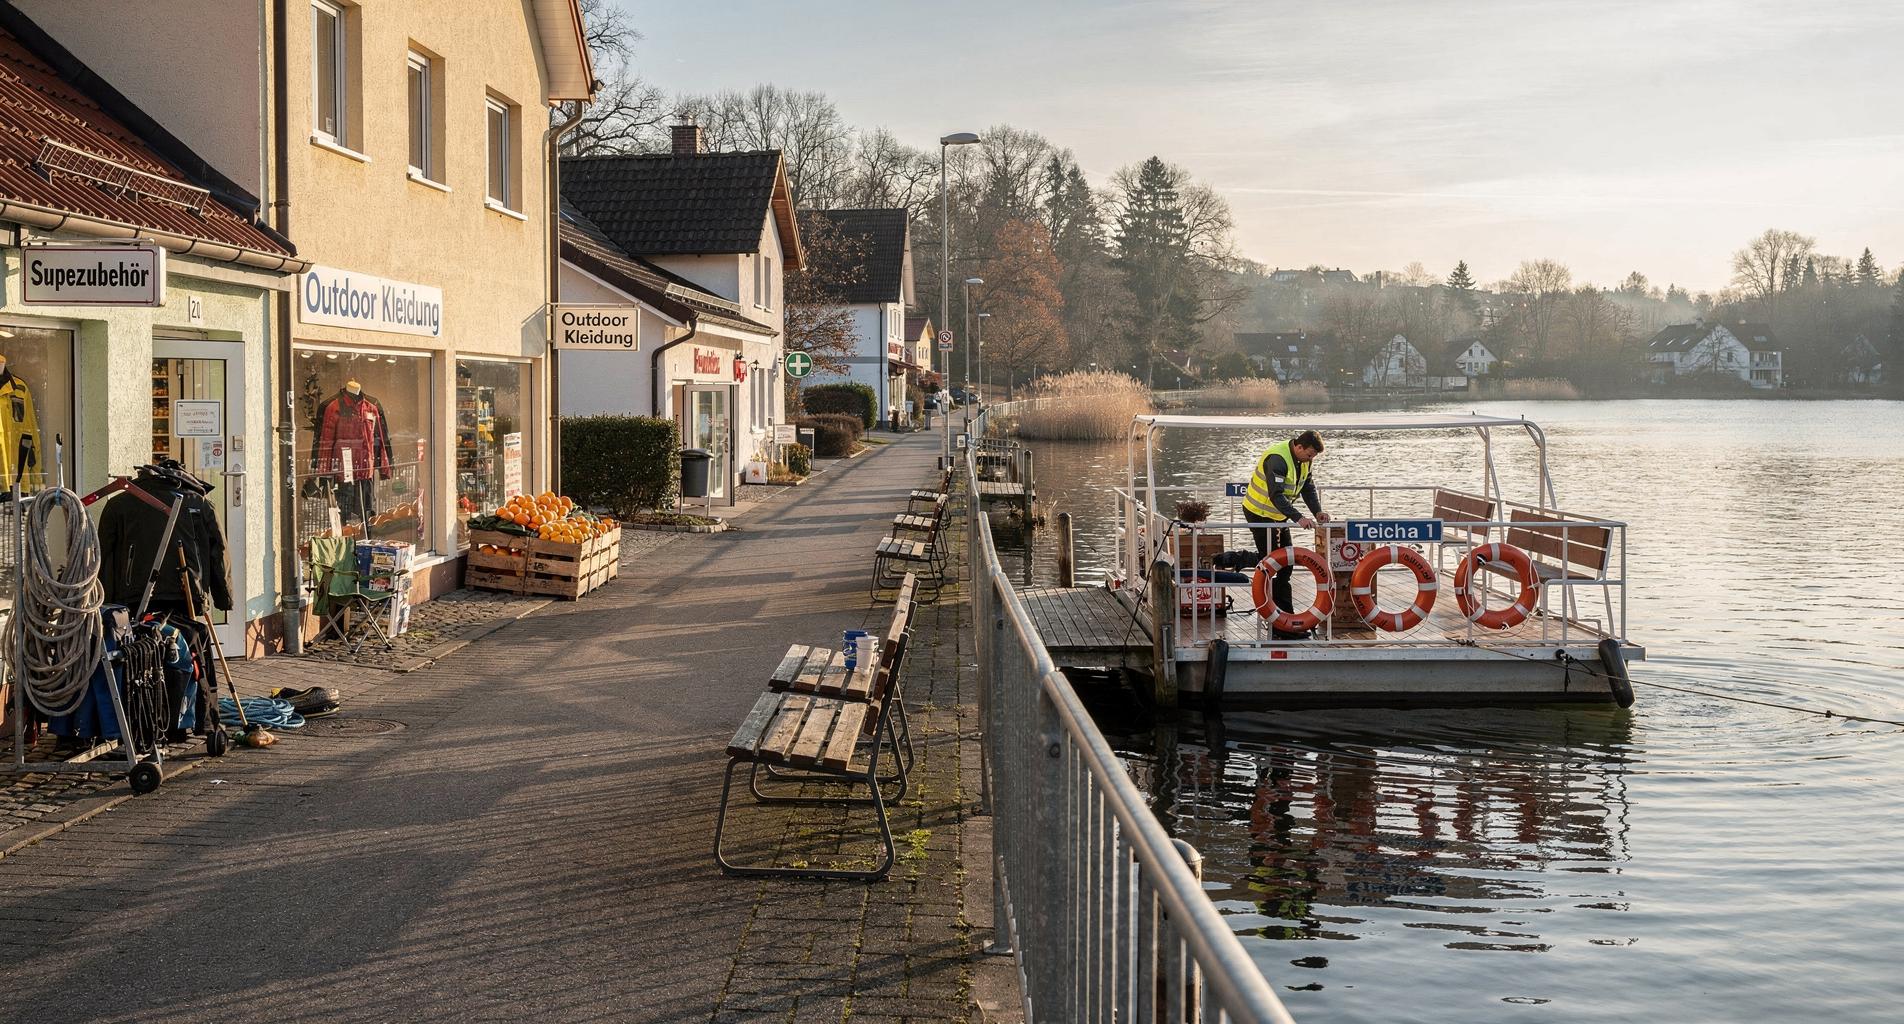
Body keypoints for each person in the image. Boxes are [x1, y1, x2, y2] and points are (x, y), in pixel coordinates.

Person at [1241, 429, 1330, 638]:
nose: (1311, 459)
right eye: (1309, 454)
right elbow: (1276, 495)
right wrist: (1298, 518)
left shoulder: (1304, 460)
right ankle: (1281, 626)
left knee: (1285, 565)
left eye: (1314, 456)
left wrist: (1317, 512)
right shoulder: (1278, 459)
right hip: (1260, 513)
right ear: (1298, 447)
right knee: (1274, 566)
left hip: (1278, 516)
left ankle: (1284, 622)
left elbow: (1307, 487)